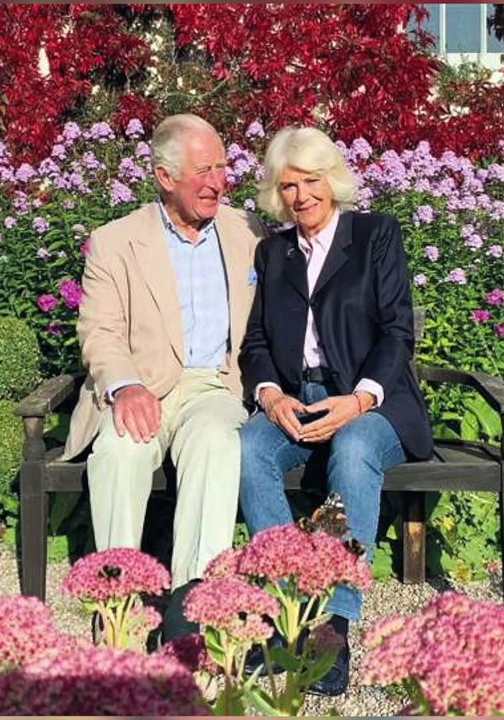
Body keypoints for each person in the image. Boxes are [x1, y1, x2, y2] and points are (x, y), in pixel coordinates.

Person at [238, 127, 434, 696]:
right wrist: (270, 394)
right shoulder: (273, 252)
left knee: (354, 446)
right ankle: (287, 612)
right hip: (296, 399)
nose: (302, 196)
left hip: (373, 401)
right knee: (247, 448)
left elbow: (397, 331)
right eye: (289, 186)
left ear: (332, 180)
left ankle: (332, 626)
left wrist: (359, 399)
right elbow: (256, 342)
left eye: (311, 181)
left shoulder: (374, 235)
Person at [60, 114, 269, 640]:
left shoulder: (248, 232)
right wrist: (125, 385)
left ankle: (193, 609)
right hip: (142, 386)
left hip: (214, 385)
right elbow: (100, 330)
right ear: (164, 176)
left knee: (217, 441)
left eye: (221, 167)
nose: (217, 182)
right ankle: (117, 602)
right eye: (203, 171)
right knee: (119, 452)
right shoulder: (116, 241)